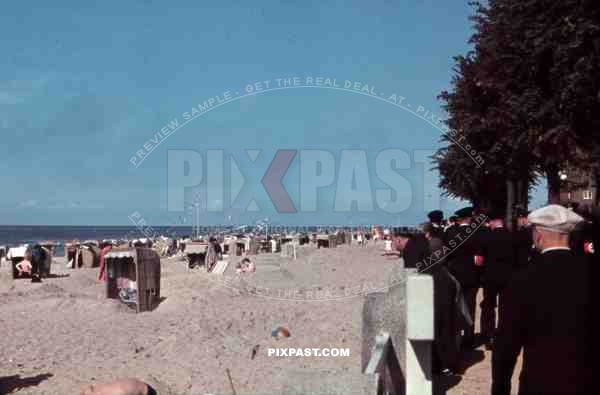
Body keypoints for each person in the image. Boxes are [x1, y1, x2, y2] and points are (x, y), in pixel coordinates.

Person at [492, 204, 593, 395]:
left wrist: (500, 388)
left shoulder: (521, 279)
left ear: (538, 235)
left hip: (541, 382)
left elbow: (506, 345)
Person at [422, 223, 461, 376]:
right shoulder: (437, 242)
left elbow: (437, 260)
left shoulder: (433, 244)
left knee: (441, 326)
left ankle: (444, 363)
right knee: (446, 325)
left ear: (427, 233)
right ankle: (446, 362)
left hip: (439, 280)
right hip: (443, 279)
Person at [445, 206, 485, 349]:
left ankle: (454, 337)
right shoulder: (477, 232)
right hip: (471, 275)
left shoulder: (450, 232)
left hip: (454, 275)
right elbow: (480, 256)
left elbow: (446, 254)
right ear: (469, 218)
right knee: (470, 306)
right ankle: (468, 338)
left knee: (454, 307)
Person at [479, 210, 516, 350]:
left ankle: (488, 336)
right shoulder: (511, 236)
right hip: (508, 276)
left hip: (490, 276)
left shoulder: (487, 237)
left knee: (488, 306)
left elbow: (480, 260)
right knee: (505, 307)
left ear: (493, 222)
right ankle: (504, 334)